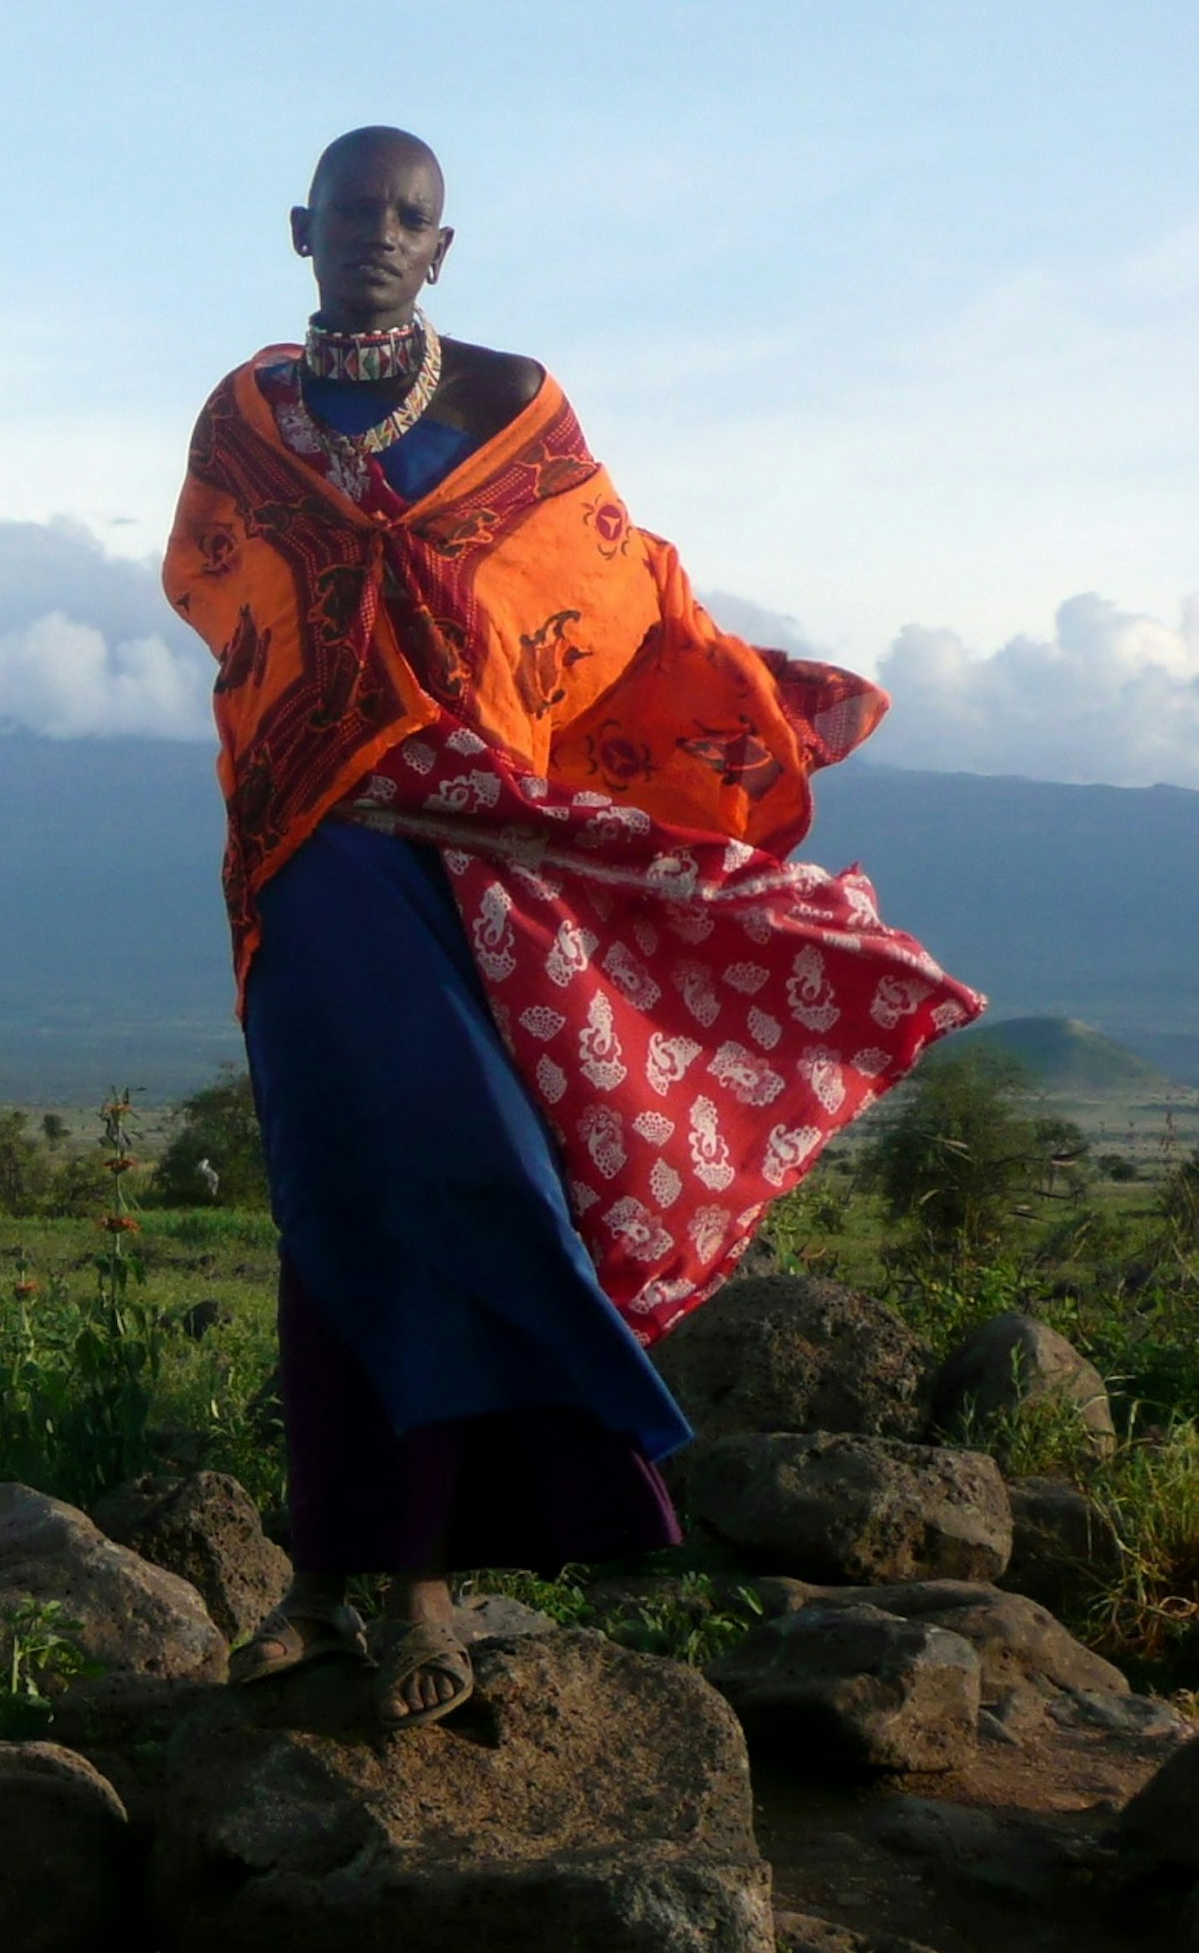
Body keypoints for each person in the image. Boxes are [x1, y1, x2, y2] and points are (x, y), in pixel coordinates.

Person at [165, 131, 982, 1730]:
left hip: (486, 860)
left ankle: (416, 1579)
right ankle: (340, 1585)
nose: (377, 239)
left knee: (482, 1178)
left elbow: (615, 606)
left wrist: (741, 702)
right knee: (340, 1195)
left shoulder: (511, 410)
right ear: (299, 230)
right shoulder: (246, 425)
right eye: (351, 214)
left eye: (408, 219)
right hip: (317, 860)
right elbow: (223, 598)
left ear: (444, 246)